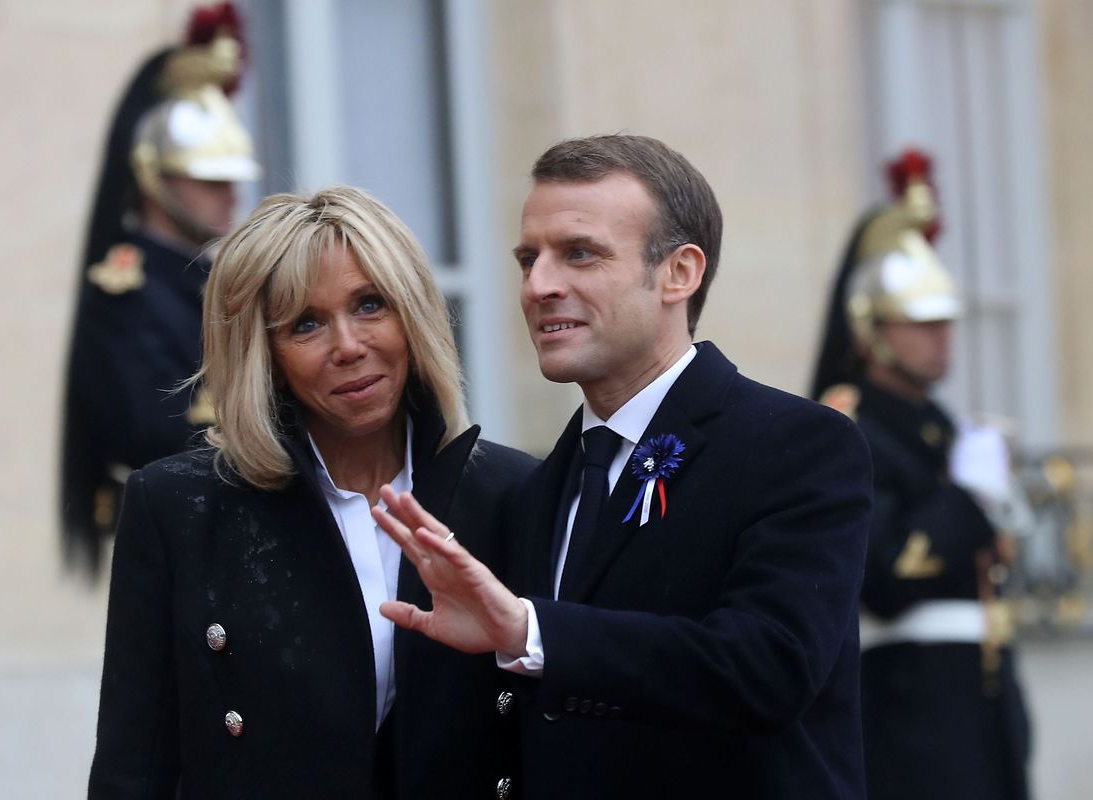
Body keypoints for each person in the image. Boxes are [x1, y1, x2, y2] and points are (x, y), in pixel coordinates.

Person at [374, 134, 874, 798]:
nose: (539, 285)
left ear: (679, 273)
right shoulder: (538, 486)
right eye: (529, 259)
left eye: (579, 254)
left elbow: (768, 667)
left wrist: (531, 630)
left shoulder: (797, 444)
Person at [87, 186, 536, 799]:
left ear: (414, 314)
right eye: (306, 324)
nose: (349, 346)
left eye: (371, 304)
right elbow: (132, 769)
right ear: (262, 354)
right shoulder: (176, 507)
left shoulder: (515, 492)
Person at [809, 150, 1032, 799]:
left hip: (978, 701)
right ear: (871, 330)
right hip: (907, 705)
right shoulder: (848, 427)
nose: (942, 339)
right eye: (922, 324)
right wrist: (967, 500)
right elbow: (883, 575)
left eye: (945, 323)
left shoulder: (937, 425)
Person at [61, 2, 261, 575]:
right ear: (156, 177)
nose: (230, 195)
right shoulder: (124, 290)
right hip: (178, 531)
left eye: (231, 179)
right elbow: (156, 432)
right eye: (209, 179)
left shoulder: (212, 278)